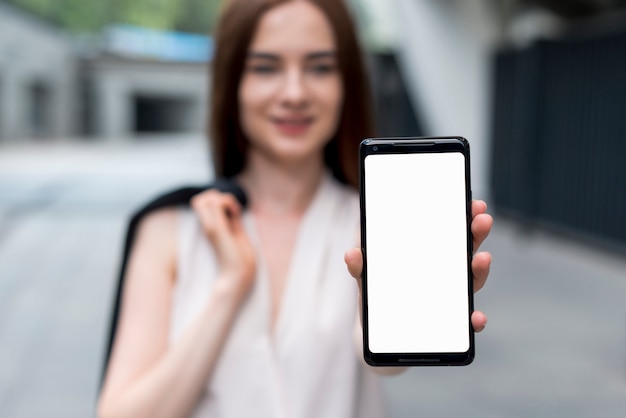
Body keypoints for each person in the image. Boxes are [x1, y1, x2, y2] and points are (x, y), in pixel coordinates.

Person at [97, 0, 493, 417]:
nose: (294, 93)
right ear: (232, 82)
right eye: (265, 67)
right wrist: (229, 288)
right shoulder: (171, 228)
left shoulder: (373, 220)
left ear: (348, 84)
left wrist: (402, 314)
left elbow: (382, 359)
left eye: (320, 67)